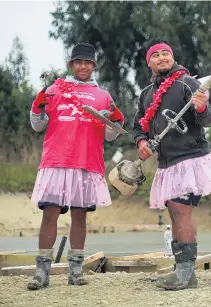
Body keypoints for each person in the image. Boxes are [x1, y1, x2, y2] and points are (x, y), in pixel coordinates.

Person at [132, 39, 211, 290]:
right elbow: (138, 126)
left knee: (180, 209)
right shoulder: (145, 94)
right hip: (166, 163)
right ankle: (182, 270)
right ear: (149, 62)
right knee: (174, 212)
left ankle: (186, 273)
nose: (163, 58)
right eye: (157, 55)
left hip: (191, 157)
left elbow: (208, 118)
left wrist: (201, 107)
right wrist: (141, 141)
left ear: (173, 57)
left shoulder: (188, 83)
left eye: (166, 53)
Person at [28, 43, 125, 290]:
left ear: (94, 66)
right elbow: (38, 126)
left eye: (88, 62)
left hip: (86, 162)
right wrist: (37, 107)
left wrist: (115, 121)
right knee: (49, 214)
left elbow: (111, 136)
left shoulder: (103, 95)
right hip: (56, 161)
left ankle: (76, 270)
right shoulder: (54, 89)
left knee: (79, 216)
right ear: (71, 64)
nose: (83, 66)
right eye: (78, 62)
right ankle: (41, 272)